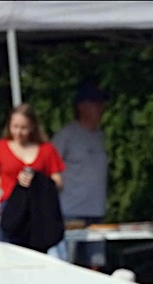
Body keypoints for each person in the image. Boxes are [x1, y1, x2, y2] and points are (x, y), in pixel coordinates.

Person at [50, 82, 109, 263]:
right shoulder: (66, 136)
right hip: (70, 212)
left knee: (96, 263)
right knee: (68, 263)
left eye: (101, 104)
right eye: (96, 104)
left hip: (96, 212)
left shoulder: (99, 136)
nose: (101, 109)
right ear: (81, 106)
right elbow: (49, 166)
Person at [0, 105, 63, 233]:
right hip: (10, 205)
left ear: (32, 127)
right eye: (15, 127)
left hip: (38, 208)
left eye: (23, 128)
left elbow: (58, 182)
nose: (18, 133)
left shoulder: (46, 150)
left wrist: (38, 182)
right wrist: (3, 184)